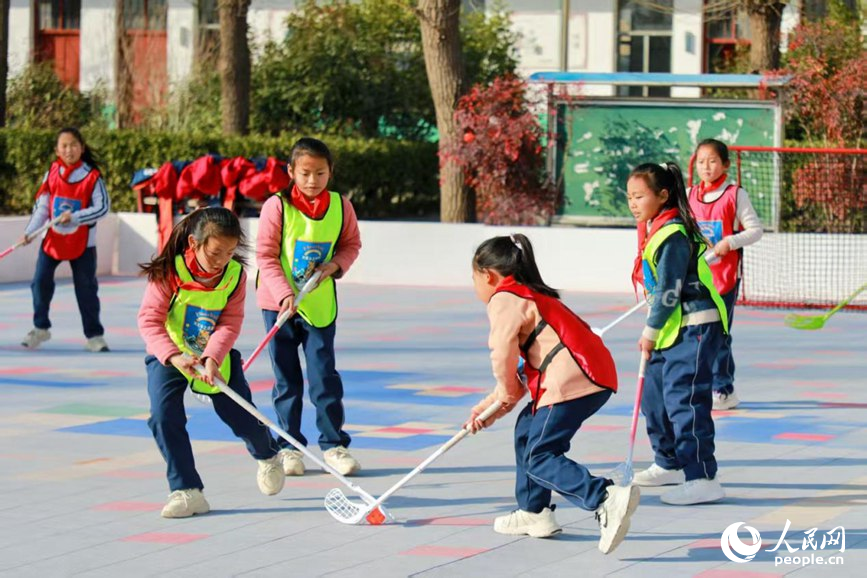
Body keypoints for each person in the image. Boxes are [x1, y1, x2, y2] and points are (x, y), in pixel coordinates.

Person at [465, 233, 638, 555]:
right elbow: (515, 382)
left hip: (571, 381)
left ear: (487, 275)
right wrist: (489, 409)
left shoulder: (504, 299)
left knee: (539, 457)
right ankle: (534, 512)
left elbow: (501, 354)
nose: (475, 287)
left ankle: (604, 497)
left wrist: (501, 397)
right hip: (587, 377)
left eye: (473, 279)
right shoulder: (530, 295)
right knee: (527, 429)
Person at [138, 207, 285, 518]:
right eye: (216, 252)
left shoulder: (234, 277)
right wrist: (175, 356)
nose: (222, 260)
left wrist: (212, 358)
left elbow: (230, 322)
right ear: (194, 244)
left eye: (230, 252)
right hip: (170, 354)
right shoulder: (168, 272)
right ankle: (187, 491)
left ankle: (268, 454)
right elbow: (150, 321)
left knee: (241, 416)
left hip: (212, 355)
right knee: (164, 417)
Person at [256, 138, 362, 477]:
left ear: (330, 172)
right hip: (279, 306)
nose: (312, 180)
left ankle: (334, 444)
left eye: (320, 173)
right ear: (290, 172)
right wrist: (285, 294)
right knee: (286, 380)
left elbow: (351, 245)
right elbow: (266, 255)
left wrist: (334, 266)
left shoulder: (341, 206)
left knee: (323, 376)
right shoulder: (276, 206)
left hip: (318, 306)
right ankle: (289, 446)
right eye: (304, 173)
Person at [628, 162, 729, 505]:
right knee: (654, 396)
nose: (633, 203)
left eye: (639, 196)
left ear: (662, 196)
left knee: (685, 400)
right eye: (629, 196)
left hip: (694, 325)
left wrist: (650, 330)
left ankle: (702, 476)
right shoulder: (655, 230)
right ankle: (668, 461)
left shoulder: (673, 233)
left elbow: (670, 290)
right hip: (672, 329)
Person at [19, 128, 111, 352]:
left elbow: (102, 208)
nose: (69, 150)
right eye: (64, 146)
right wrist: (30, 231)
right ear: (57, 150)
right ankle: (40, 328)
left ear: (81, 147)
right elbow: (42, 208)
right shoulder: (51, 173)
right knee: (40, 283)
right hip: (52, 241)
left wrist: (76, 217)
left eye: (73, 145)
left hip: (83, 245)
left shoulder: (92, 177)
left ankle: (94, 335)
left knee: (86, 289)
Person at [689, 139, 763, 410]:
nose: (706, 167)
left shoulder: (735, 194)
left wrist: (729, 242)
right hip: (697, 276)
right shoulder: (688, 195)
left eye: (712, 161)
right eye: (700, 161)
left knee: (718, 333)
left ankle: (724, 388)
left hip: (725, 277)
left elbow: (755, 230)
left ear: (725, 165)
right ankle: (701, 384)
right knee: (697, 333)